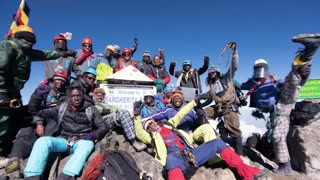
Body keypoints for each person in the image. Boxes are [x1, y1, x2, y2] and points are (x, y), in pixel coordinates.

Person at [133, 99, 265, 180]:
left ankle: (247, 173)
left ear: (155, 121)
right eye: (148, 126)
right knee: (170, 159)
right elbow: (139, 132)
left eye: (151, 123)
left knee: (218, 143)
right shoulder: (151, 137)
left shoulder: (169, 125)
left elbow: (181, 113)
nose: (152, 125)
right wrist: (137, 116)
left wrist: (194, 102)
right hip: (177, 159)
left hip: (192, 154)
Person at [0, 25, 75, 156]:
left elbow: (45, 54)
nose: (29, 43)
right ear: (18, 37)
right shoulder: (7, 47)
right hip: (3, 91)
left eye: (32, 41)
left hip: (14, 91)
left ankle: (6, 147)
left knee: (15, 118)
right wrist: (2, 92)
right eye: (26, 39)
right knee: (3, 120)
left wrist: (63, 54)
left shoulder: (27, 52)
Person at [24, 86, 109, 179]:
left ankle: (66, 176)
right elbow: (34, 111)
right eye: (73, 96)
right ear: (69, 98)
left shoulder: (91, 109)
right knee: (42, 141)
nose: (76, 98)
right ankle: (32, 175)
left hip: (81, 141)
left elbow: (103, 126)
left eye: (79, 95)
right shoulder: (61, 108)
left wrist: (94, 135)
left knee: (88, 144)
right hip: (63, 141)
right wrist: (37, 96)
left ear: (83, 97)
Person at [272, 33, 320, 175]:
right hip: (283, 104)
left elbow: (294, 80)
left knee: (277, 136)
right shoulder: (287, 84)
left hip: (284, 107)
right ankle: (310, 51)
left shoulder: (290, 84)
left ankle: (312, 48)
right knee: (294, 76)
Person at [5, 71, 68, 174]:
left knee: (51, 132)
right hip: (37, 117)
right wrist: (39, 123)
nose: (60, 82)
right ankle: (15, 158)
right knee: (26, 132)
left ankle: (37, 157)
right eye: (58, 79)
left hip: (52, 119)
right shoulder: (44, 89)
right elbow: (33, 108)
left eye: (62, 81)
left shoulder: (65, 94)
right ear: (53, 79)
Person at [199, 42, 244, 155]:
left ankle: (240, 155)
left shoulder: (226, 79)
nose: (212, 74)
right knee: (202, 113)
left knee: (235, 131)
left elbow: (234, 66)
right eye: (210, 73)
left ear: (218, 73)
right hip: (218, 108)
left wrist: (234, 52)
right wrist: (200, 103)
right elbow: (209, 98)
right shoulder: (212, 87)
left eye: (214, 72)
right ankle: (214, 136)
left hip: (229, 108)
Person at [241, 59, 284, 142]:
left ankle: (272, 143)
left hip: (273, 108)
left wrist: (278, 80)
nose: (259, 71)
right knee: (272, 127)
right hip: (264, 108)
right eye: (257, 69)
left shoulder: (272, 79)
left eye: (261, 68)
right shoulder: (251, 82)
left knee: (274, 128)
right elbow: (241, 85)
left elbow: (287, 83)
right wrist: (230, 82)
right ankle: (270, 142)